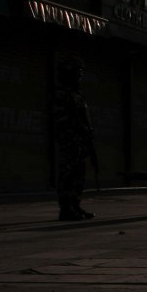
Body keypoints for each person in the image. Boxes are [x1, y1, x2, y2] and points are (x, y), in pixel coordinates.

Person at [52, 57, 99, 221]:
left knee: (79, 175)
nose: (79, 77)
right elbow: (60, 121)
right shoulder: (61, 95)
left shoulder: (77, 96)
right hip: (70, 142)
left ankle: (75, 205)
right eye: (77, 74)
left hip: (79, 143)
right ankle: (66, 208)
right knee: (68, 175)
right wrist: (74, 134)